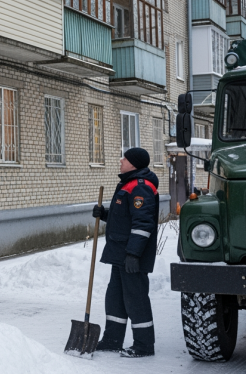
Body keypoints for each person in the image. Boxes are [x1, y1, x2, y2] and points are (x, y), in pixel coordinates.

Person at [92, 147, 160, 358]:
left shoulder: (141, 187)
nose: (121, 160)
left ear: (134, 163)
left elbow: (142, 223)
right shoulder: (128, 184)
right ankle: (113, 339)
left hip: (131, 257)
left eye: (125, 158)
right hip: (120, 254)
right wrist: (105, 214)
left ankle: (144, 345)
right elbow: (124, 217)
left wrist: (133, 254)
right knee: (115, 297)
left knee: (135, 298)